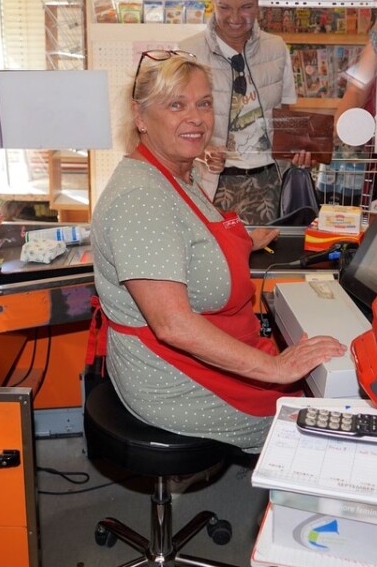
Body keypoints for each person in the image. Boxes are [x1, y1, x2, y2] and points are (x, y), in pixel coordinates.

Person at [91, 50, 346, 452]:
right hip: (173, 381)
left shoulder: (177, 173)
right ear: (140, 116)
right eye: (176, 105)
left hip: (190, 360)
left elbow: (188, 238)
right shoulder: (141, 197)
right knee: (321, 420)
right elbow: (173, 325)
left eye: (204, 103)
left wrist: (243, 240)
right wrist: (276, 367)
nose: (196, 118)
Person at [181, 0, 307, 225]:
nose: (235, 18)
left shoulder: (276, 48)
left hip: (270, 179)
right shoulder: (189, 52)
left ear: (259, 1)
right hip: (211, 183)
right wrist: (202, 151)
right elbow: (173, 124)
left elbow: (286, 111)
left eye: (246, 6)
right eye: (224, 7)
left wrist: (300, 148)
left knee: (267, 249)